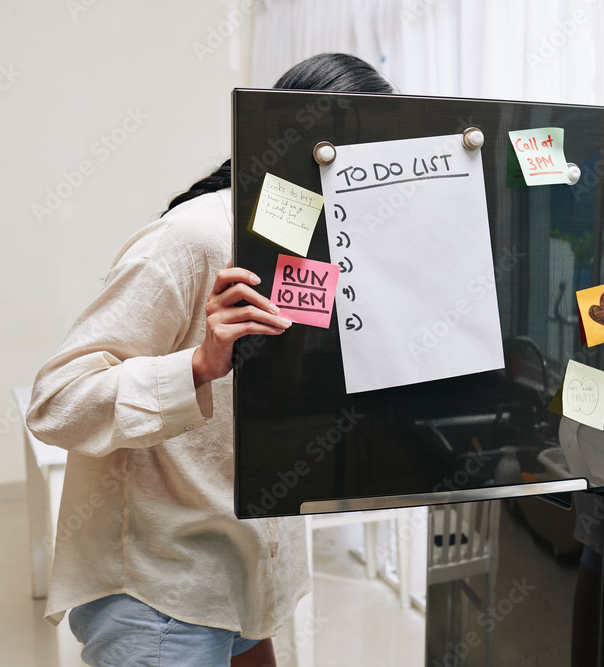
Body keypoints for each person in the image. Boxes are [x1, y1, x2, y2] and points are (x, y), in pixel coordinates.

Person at [25, 53, 393, 667]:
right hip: (162, 594)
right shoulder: (194, 238)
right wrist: (197, 365)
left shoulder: (320, 242)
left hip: (249, 574)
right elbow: (56, 403)